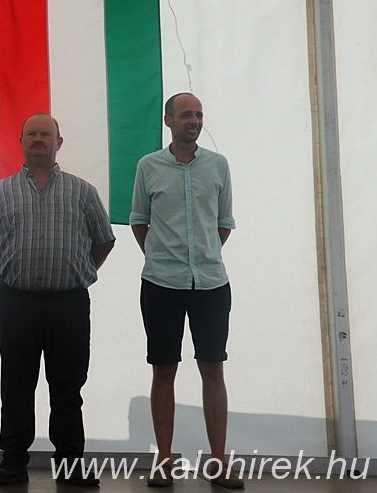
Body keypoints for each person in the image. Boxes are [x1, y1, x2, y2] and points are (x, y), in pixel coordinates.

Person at [0, 114, 116, 487]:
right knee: (16, 385)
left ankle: (69, 464)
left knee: (68, 387)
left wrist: (78, 271)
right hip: (17, 303)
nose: (39, 139)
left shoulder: (83, 192)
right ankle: (13, 462)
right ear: (20, 142)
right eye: (32, 134)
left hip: (69, 304)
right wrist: (9, 271)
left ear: (59, 142)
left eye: (46, 134)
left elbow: (104, 241)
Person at [130, 93, 242, 490]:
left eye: (198, 115)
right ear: (168, 120)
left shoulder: (218, 165)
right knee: (164, 370)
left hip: (211, 284)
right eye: (185, 115)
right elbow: (139, 221)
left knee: (213, 369)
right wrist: (165, 257)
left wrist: (202, 255)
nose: (193, 121)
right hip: (161, 283)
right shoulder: (148, 166)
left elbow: (224, 222)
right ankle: (164, 460)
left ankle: (218, 461)